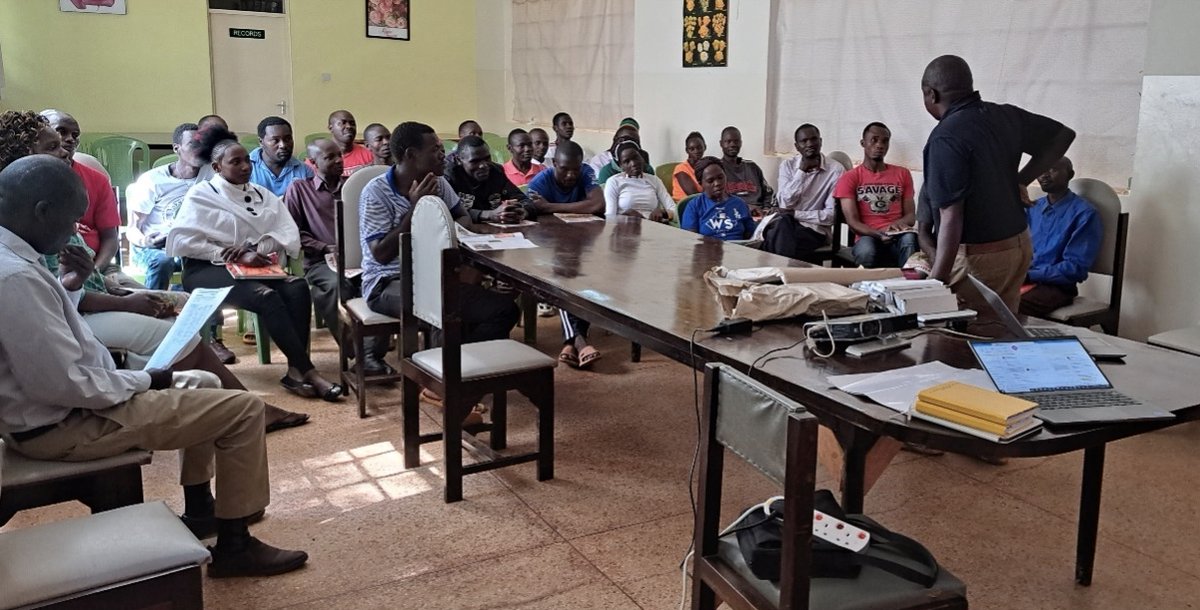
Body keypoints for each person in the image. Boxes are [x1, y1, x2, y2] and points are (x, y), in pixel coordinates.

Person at [0, 155, 309, 578]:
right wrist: (146, 379)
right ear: (42, 211)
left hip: (66, 408)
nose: (76, 230)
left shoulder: (13, 258)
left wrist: (70, 285)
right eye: (72, 220)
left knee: (202, 382)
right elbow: (66, 385)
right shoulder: (13, 276)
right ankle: (237, 546)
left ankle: (201, 509)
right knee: (243, 409)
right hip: (66, 426)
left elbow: (50, 328)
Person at [168, 126, 344, 402]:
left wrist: (254, 249)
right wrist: (229, 253)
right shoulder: (202, 194)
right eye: (234, 162)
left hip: (253, 266)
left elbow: (287, 234)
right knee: (267, 297)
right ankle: (309, 372)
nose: (244, 167)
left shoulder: (262, 194)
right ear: (216, 167)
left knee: (297, 287)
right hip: (206, 269)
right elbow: (181, 242)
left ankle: (294, 372)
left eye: (246, 161)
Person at [921, 54, 1075, 313]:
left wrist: (936, 281)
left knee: (959, 341)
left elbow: (951, 216)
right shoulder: (1005, 115)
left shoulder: (945, 137)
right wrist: (1020, 180)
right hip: (1018, 247)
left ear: (931, 94)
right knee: (999, 336)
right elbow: (1062, 136)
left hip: (979, 259)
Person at [359, 122, 519, 355]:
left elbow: (464, 219)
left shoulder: (439, 182)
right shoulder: (375, 192)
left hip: (435, 275)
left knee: (505, 309)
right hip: (386, 282)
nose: (444, 154)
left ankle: (460, 366)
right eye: (435, 149)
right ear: (411, 155)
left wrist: (441, 233)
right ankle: (441, 377)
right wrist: (416, 209)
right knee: (442, 305)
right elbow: (381, 254)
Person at [284, 139, 392, 376]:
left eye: (338, 156)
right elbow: (292, 232)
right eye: (329, 157)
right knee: (335, 287)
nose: (337, 161)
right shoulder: (300, 189)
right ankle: (362, 355)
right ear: (312, 163)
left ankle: (372, 355)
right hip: (322, 261)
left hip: (361, 259)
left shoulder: (353, 188)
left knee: (384, 284)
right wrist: (324, 247)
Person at [526, 141, 603, 369]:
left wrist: (550, 207)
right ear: (554, 164)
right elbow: (531, 212)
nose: (571, 175)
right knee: (561, 279)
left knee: (588, 280)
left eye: (575, 169)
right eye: (564, 169)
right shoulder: (541, 180)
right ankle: (579, 341)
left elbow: (598, 204)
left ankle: (570, 344)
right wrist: (581, 205)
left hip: (582, 245)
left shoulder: (587, 172)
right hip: (548, 250)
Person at [39, 109, 135, 288]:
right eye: (62, 131)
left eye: (75, 135)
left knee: (159, 298)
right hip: (52, 272)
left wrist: (94, 270)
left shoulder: (97, 179)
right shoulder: (30, 184)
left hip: (102, 267)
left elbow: (110, 238)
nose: (70, 139)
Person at [1020, 156, 1102, 317]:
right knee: (981, 298)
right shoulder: (1032, 208)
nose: (1044, 175)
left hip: (1057, 286)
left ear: (1070, 174)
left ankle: (1016, 341)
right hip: (1025, 279)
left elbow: (1075, 268)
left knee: (1011, 305)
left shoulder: (1084, 214)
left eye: (1052, 169)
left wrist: (1030, 275)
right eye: (1040, 170)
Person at [834, 122, 918, 268]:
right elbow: (853, 223)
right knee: (867, 251)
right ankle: (866, 289)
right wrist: (878, 234)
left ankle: (906, 286)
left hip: (897, 236)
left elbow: (910, 216)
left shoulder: (902, 174)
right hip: (867, 236)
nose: (880, 145)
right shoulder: (850, 177)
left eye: (885, 141)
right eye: (874, 140)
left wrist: (896, 227)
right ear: (863, 143)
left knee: (910, 239)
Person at [761, 124, 844, 262]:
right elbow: (785, 202)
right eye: (804, 141)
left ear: (821, 141)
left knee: (774, 238)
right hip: (785, 225)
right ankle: (786, 276)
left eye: (814, 139)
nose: (810, 144)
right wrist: (802, 172)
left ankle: (777, 276)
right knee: (782, 228)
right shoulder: (787, 166)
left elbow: (831, 216)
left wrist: (795, 214)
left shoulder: (835, 170)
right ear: (797, 146)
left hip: (814, 230)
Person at [446, 136, 536, 224]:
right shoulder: (449, 177)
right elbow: (449, 212)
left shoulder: (496, 172)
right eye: (475, 161)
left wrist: (521, 211)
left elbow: (525, 200)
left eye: (487, 158)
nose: (483, 165)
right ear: (459, 160)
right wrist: (489, 214)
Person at [681, 157, 756, 241]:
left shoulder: (740, 204)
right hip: (707, 252)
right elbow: (691, 241)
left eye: (720, 178)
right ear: (701, 183)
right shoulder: (694, 206)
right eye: (710, 181)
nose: (717, 183)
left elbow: (751, 236)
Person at [603, 141, 673, 222]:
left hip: (653, 226)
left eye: (635, 157)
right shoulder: (614, 182)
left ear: (642, 157)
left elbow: (673, 210)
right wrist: (626, 217)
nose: (633, 163)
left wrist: (662, 212)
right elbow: (610, 216)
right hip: (626, 227)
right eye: (627, 161)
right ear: (621, 165)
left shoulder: (654, 180)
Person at [249, 115, 313, 197]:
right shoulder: (247, 168)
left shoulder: (304, 170)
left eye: (287, 139)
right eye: (275, 140)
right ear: (261, 142)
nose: (283, 145)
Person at [719, 126, 770, 208]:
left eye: (736, 141)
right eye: (728, 141)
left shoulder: (752, 167)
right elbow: (715, 199)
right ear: (721, 144)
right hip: (732, 213)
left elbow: (768, 193)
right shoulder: (717, 169)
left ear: (741, 143)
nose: (732, 145)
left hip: (759, 213)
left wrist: (767, 209)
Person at [319, 110, 374, 175]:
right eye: (343, 123)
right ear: (331, 128)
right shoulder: (319, 157)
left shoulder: (369, 154)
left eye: (352, 123)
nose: (349, 126)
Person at [672, 131, 706, 200]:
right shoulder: (681, 168)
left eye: (699, 148)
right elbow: (693, 195)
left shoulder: (707, 166)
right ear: (687, 150)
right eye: (692, 149)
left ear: (704, 147)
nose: (696, 151)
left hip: (703, 202)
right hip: (684, 204)